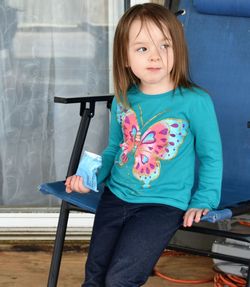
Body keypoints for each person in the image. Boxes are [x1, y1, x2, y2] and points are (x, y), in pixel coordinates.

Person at [65, 3, 223, 286]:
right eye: (142, 49)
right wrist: (89, 178)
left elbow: (211, 156)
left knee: (120, 279)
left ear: (178, 50)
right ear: (125, 58)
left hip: (162, 205)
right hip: (116, 197)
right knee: (95, 276)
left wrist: (204, 199)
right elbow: (114, 150)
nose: (156, 56)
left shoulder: (195, 101)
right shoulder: (124, 99)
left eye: (165, 45)